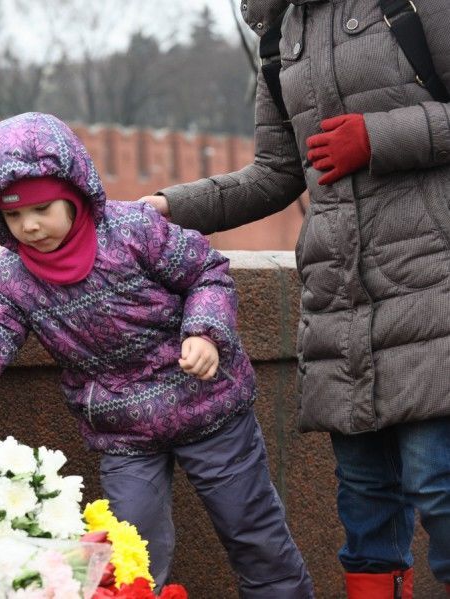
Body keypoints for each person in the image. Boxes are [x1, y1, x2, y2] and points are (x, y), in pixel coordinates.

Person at [0, 112, 313, 597]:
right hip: (123, 432)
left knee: (255, 537)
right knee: (127, 560)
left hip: (209, 408)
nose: (30, 227)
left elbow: (208, 273)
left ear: (74, 192)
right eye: (13, 216)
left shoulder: (133, 230)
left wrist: (205, 334)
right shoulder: (15, 278)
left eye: (41, 209)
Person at [141, 2, 450, 596]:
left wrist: (379, 136)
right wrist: (164, 207)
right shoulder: (284, 30)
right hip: (342, 302)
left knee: (439, 484)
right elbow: (276, 172)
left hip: (433, 287)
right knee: (364, 506)